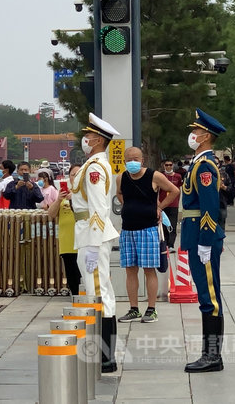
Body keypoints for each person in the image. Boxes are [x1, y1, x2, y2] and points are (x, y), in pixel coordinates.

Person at [71, 113, 120, 373]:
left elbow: (100, 209)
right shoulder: (95, 164)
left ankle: (106, 356)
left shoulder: (94, 167)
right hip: (87, 233)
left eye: (88, 136)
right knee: (95, 292)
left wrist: (93, 243)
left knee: (100, 294)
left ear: (99, 140)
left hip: (93, 235)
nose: (85, 140)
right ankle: (102, 354)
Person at [181, 108, 226, 373]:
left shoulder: (205, 166)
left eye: (196, 131)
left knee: (209, 296)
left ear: (206, 136)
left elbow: (209, 207)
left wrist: (206, 241)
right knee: (206, 294)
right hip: (196, 233)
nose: (193, 134)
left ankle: (212, 356)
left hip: (202, 234)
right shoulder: (199, 164)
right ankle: (210, 354)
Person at [116, 147, 180, 325]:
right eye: (129, 159)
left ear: (142, 160)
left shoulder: (154, 176)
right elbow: (119, 193)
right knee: (130, 270)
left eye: (135, 158)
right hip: (128, 229)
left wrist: (159, 208)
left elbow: (174, 191)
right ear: (124, 161)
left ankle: (151, 309)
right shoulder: (121, 177)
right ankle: (133, 309)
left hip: (148, 229)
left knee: (149, 270)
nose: (132, 161)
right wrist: (127, 205)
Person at [47, 165, 82, 295]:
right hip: (68, 242)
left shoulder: (86, 193)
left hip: (83, 241)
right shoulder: (64, 193)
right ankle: (75, 297)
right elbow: (51, 214)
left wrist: (75, 198)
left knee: (83, 273)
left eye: (78, 174)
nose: (75, 177)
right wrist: (59, 200)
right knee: (71, 272)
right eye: (73, 174)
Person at [160, 159, 183, 253]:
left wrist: (179, 202)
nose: (168, 167)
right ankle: (164, 244)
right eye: (166, 165)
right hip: (163, 204)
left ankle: (171, 244)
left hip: (173, 204)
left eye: (170, 165)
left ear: (173, 165)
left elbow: (179, 189)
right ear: (164, 166)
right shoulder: (161, 176)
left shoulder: (178, 176)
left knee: (172, 225)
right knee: (164, 225)